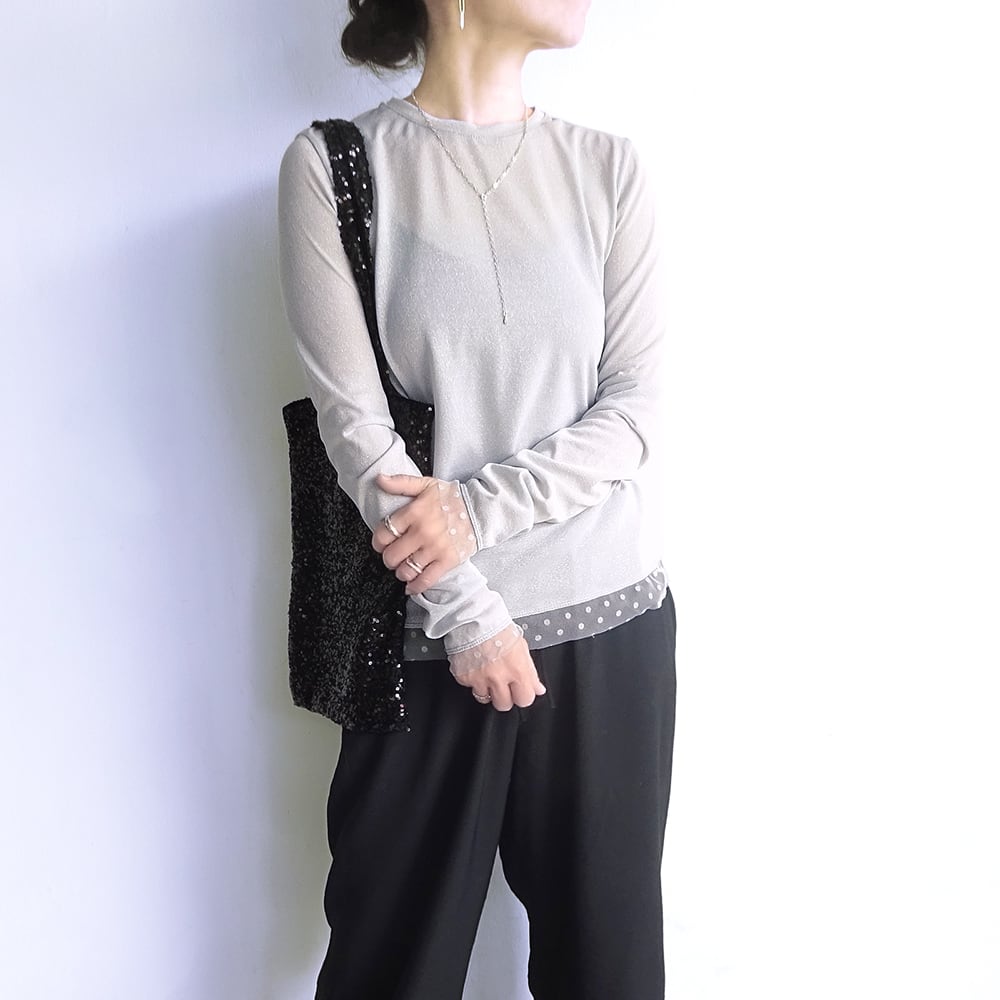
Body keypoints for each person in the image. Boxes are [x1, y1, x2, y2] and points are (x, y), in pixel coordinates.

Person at [276, 1, 677, 996]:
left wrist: (472, 511)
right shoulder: (335, 167)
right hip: (421, 643)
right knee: (391, 973)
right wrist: (469, 614)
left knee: (611, 975)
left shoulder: (608, 167)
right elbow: (355, 433)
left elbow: (635, 409)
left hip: (611, 627)